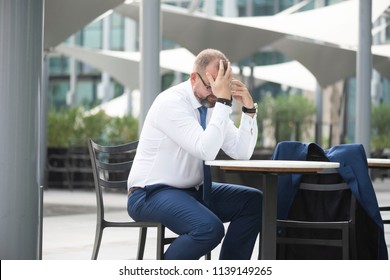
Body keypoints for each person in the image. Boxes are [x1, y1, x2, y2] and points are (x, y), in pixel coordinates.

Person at [127, 48, 262, 260]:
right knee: (210, 229)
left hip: (193, 191)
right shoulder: (171, 103)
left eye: (221, 87)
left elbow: (241, 152)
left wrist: (248, 110)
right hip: (150, 193)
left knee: (253, 201)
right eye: (211, 86)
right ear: (193, 78)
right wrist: (224, 103)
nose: (216, 94)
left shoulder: (212, 106)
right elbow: (205, 149)